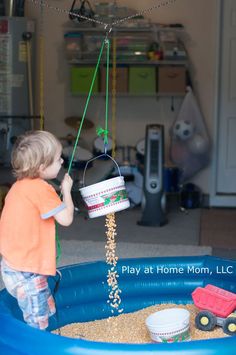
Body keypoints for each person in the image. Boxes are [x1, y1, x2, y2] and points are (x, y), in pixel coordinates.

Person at [0, 130, 74, 330]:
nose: (61, 162)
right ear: (42, 166)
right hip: (27, 272)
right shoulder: (42, 189)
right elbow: (66, 219)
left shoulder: (18, 187)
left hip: (11, 265)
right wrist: (67, 191)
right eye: (58, 159)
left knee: (45, 306)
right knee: (37, 324)